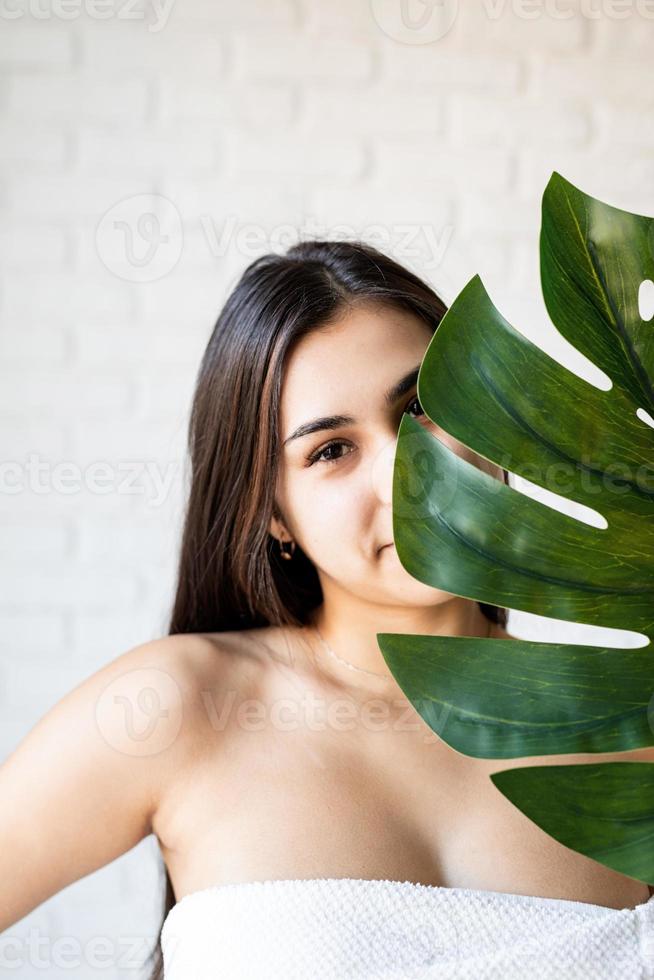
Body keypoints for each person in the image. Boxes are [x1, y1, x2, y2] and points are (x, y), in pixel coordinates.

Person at [1, 241, 652, 980]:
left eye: (424, 407)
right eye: (332, 450)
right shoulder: (181, 708)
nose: (409, 473)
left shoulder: (632, 730)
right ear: (272, 513)